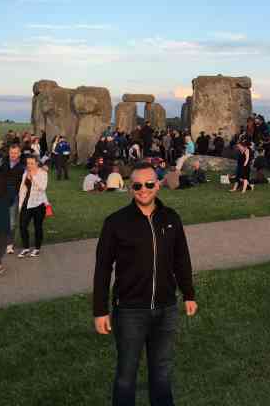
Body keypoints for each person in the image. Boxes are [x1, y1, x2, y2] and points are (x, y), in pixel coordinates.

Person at [93, 163, 197, 406]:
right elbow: (103, 268)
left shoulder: (171, 218)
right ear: (131, 188)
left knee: (161, 373)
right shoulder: (115, 222)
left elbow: (181, 259)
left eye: (149, 184)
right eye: (138, 185)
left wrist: (189, 294)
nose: (144, 190)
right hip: (130, 310)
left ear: (158, 185)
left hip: (166, 308)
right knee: (126, 376)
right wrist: (100, 310)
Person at [17, 153, 49, 258]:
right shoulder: (25, 173)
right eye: (28, 163)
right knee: (22, 226)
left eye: (32, 163)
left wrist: (33, 178)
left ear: (37, 163)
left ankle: (37, 248)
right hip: (27, 203)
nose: (29, 165)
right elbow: (22, 188)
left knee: (38, 227)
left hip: (39, 204)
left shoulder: (43, 173)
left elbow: (43, 187)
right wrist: (20, 204)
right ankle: (26, 248)